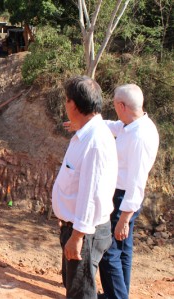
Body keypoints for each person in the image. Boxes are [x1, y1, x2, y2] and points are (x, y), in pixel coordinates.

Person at [52, 76, 118, 298]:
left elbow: (91, 194)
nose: (65, 105)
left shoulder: (95, 142)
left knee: (81, 293)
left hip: (85, 232)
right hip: (77, 227)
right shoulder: (87, 133)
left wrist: (77, 236)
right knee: (74, 285)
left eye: (66, 100)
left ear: (73, 104)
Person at [98, 84, 159, 299]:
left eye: (115, 106)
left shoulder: (140, 137)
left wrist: (125, 217)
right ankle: (118, 293)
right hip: (123, 196)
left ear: (122, 105)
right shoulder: (133, 125)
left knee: (108, 249)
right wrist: (88, 122)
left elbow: (137, 181)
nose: (115, 110)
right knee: (123, 250)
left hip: (124, 199)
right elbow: (114, 127)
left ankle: (116, 296)